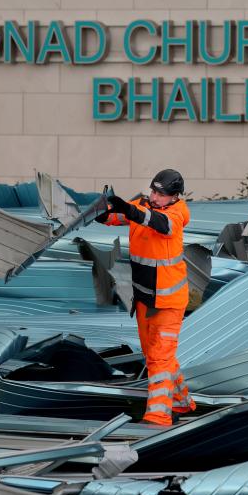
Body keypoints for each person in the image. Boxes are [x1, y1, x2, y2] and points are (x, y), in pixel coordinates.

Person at [95, 169, 196, 425]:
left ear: (174, 197)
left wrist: (131, 211)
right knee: (156, 355)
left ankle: (158, 416)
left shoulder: (177, 213)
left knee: (160, 357)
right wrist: (98, 212)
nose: (154, 196)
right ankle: (182, 403)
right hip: (145, 298)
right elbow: (115, 216)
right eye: (153, 191)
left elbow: (158, 223)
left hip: (169, 302)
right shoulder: (142, 206)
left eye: (160, 194)